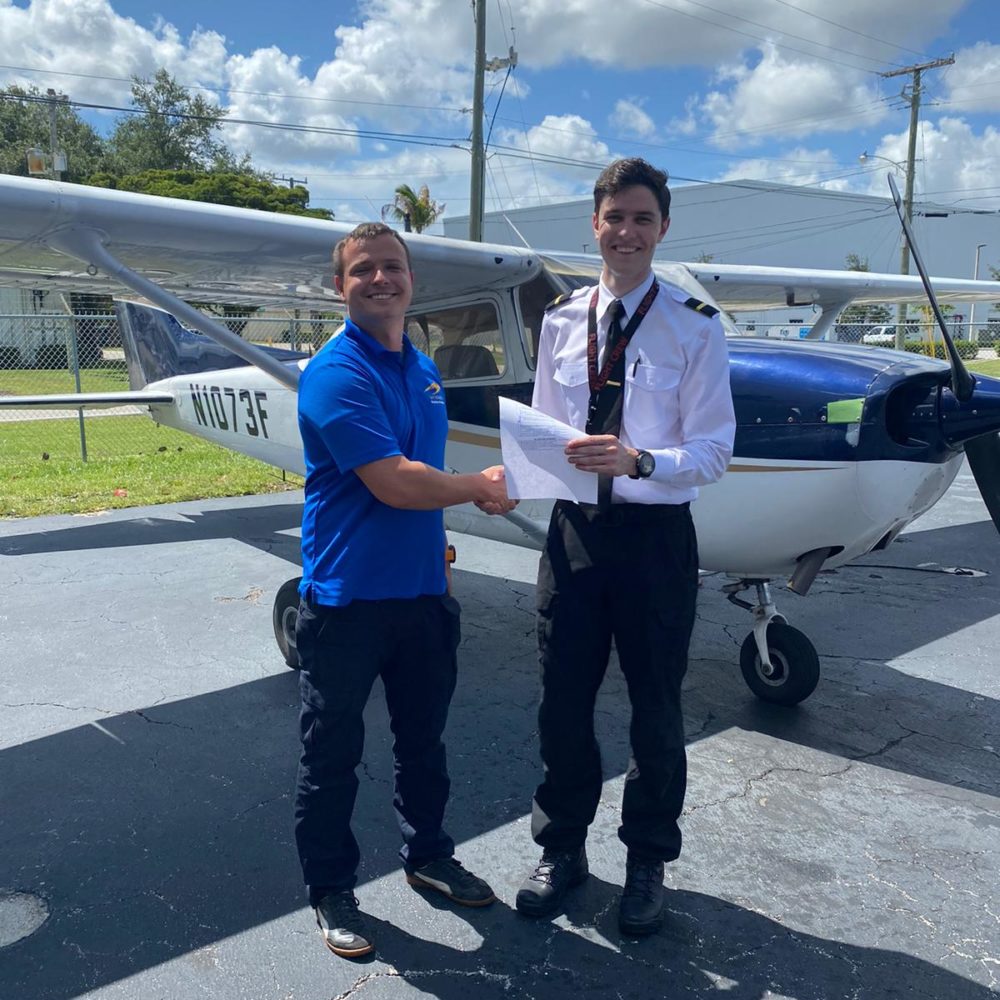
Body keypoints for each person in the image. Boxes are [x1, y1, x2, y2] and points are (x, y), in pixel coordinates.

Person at [515, 159, 736, 936]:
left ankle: (647, 861)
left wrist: (641, 462)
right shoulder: (561, 320)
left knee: (656, 709)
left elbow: (714, 451)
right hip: (575, 533)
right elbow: (545, 430)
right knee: (562, 702)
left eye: (643, 219)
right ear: (595, 225)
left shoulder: (694, 325)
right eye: (615, 218)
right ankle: (561, 850)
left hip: (653, 540)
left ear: (663, 228)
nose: (628, 232)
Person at [295, 222, 514, 959]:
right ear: (340, 286)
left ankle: (429, 855)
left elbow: (424, 473)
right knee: (332, 756)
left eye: (393, 267)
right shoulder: (336, 372)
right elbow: (393, 482)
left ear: (411, 280)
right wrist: (478, 486)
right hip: (346, 600)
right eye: (363, 270)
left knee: (424, 744)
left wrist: (446, 558)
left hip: (421, 595)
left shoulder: (420, 367)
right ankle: (330, 889)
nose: (380, 280)